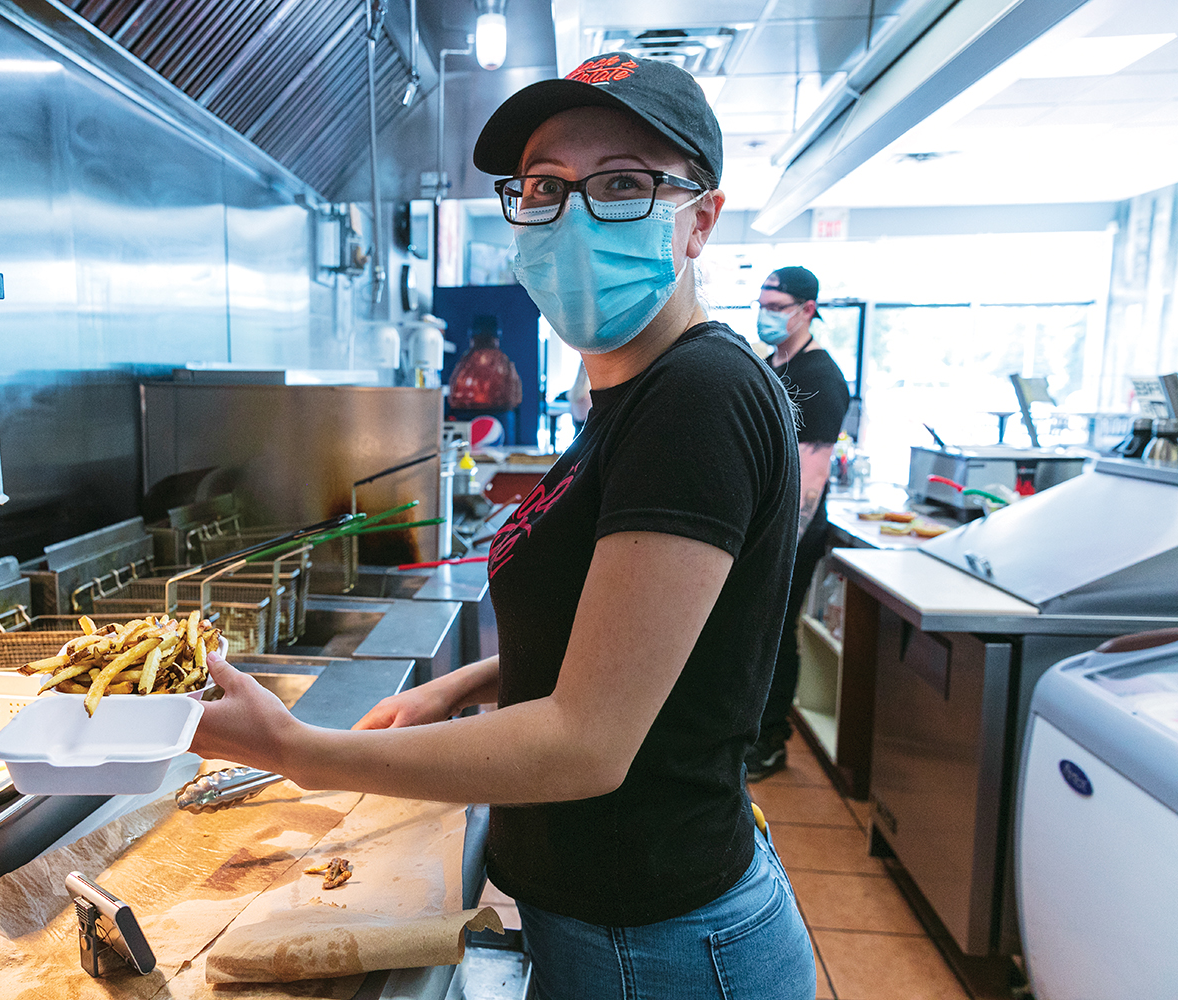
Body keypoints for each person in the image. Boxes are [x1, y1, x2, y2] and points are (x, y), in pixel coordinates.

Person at [191, 51, 814, 1000]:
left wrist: (294, 751)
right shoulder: (638, 392)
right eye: (543, 188)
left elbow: (586, 742)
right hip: (618, 921)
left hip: (666, 945)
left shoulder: (699, 395)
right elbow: (630, 643)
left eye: (621, 185)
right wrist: (471, 684)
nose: (572, 216)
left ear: (701, 218)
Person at [746, 267, 851, 781]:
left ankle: (770, 744)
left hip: (794, 536)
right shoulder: (771, 366)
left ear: (807, 309)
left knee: (774, 635)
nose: (767, 314)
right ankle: (750, 734)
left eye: (777, 306)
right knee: (753, 636)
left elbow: (809, 481)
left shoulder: (820, 378)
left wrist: (778, 549)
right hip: (763, 530)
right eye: (762, 304)